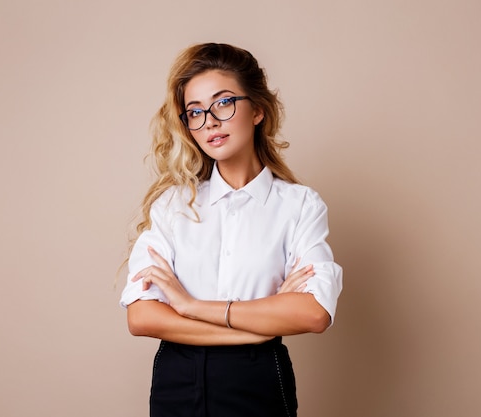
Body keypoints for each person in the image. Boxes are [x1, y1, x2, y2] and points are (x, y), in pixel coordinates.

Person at [120, 42, 343, 417]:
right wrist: (259, 327)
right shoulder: (174, 206)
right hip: (177, 384)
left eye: (223, 103)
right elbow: (141, 317)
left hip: (257, 384)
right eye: (195, 112)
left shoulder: (299, 206)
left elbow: (314, 313)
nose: (209, 121)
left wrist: (190, 306)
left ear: (257, 109)